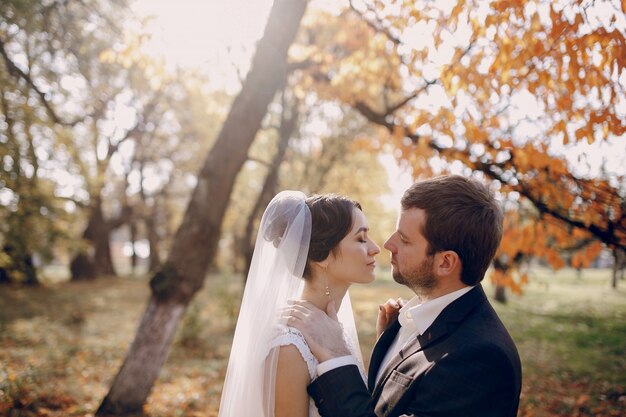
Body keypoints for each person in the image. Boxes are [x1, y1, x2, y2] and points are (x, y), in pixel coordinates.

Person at [286, 175, 522, 417]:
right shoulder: (406, 322)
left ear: (445, 262)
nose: (387, 244)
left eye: (405, 239)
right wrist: (389, 342)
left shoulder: (480, 361)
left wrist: (336, 355)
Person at [218, 190, 381, 417]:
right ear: (322, 256)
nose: (375, 248)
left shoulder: (332, 328)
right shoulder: (289, 347)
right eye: (361, 238)